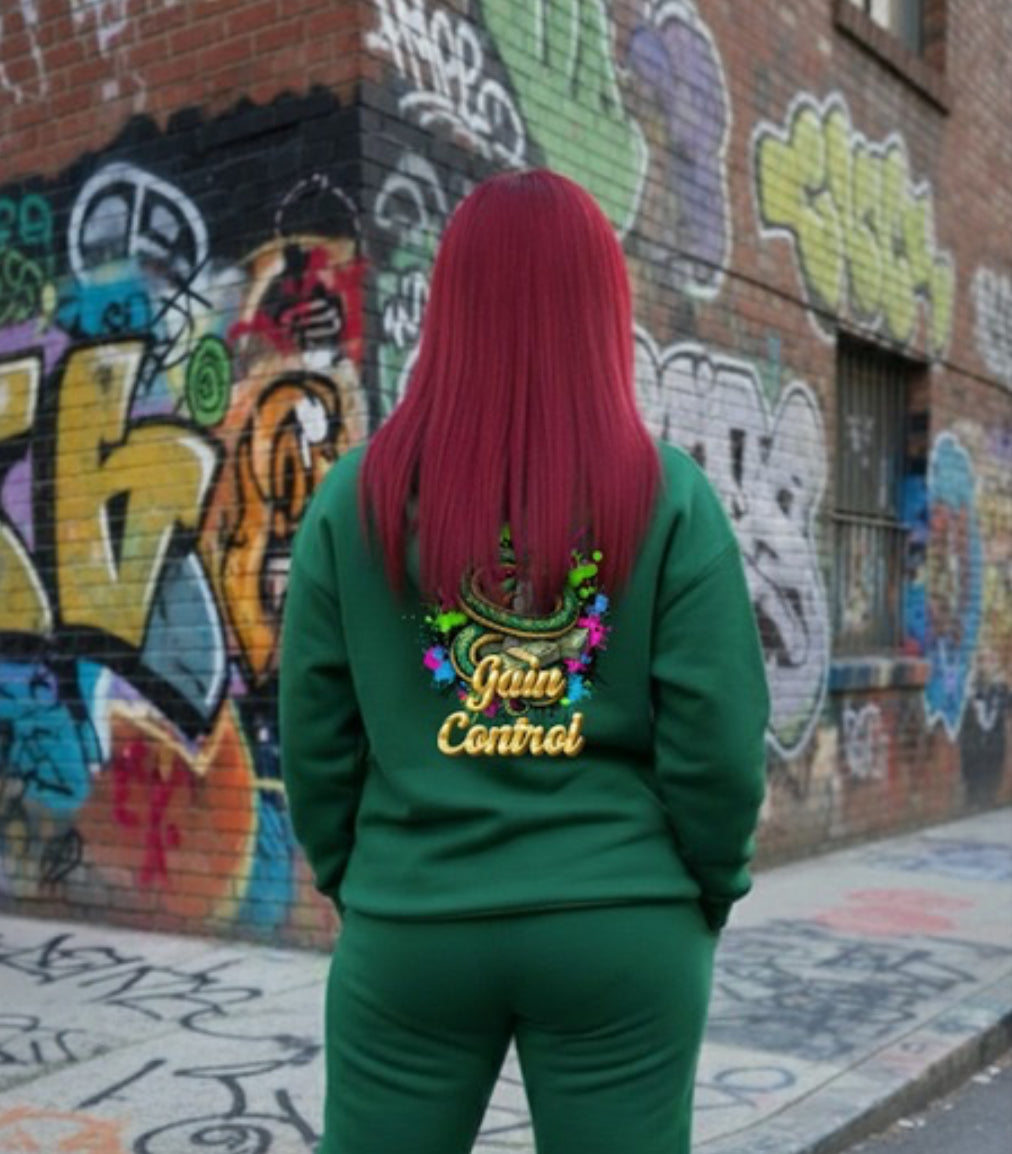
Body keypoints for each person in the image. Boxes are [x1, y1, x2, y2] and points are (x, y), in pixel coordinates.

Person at [279, 169, 769, 1154]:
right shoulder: (672, 499)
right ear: (601, 311)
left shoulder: (352, 501)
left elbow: (314, 738)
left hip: (415, 920)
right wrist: (705, 888)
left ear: (449, 310)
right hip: (620, 922)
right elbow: (718, 745)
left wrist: (360, 880)